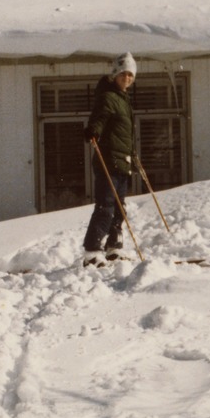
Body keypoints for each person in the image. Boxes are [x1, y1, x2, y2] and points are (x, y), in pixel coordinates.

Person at [81, 52, 137, 266]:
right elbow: (99, 118)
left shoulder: (123, 99)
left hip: (122, 160)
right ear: (115, 74)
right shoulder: (108, 97)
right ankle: (92, 251)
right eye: (123, 74)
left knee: (119, 206)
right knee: (106, 206)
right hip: (109, 158)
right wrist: (93, 131)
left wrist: (134, 156)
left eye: (131, 75)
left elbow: (124, 134)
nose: (127, 78)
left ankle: (113, 247)